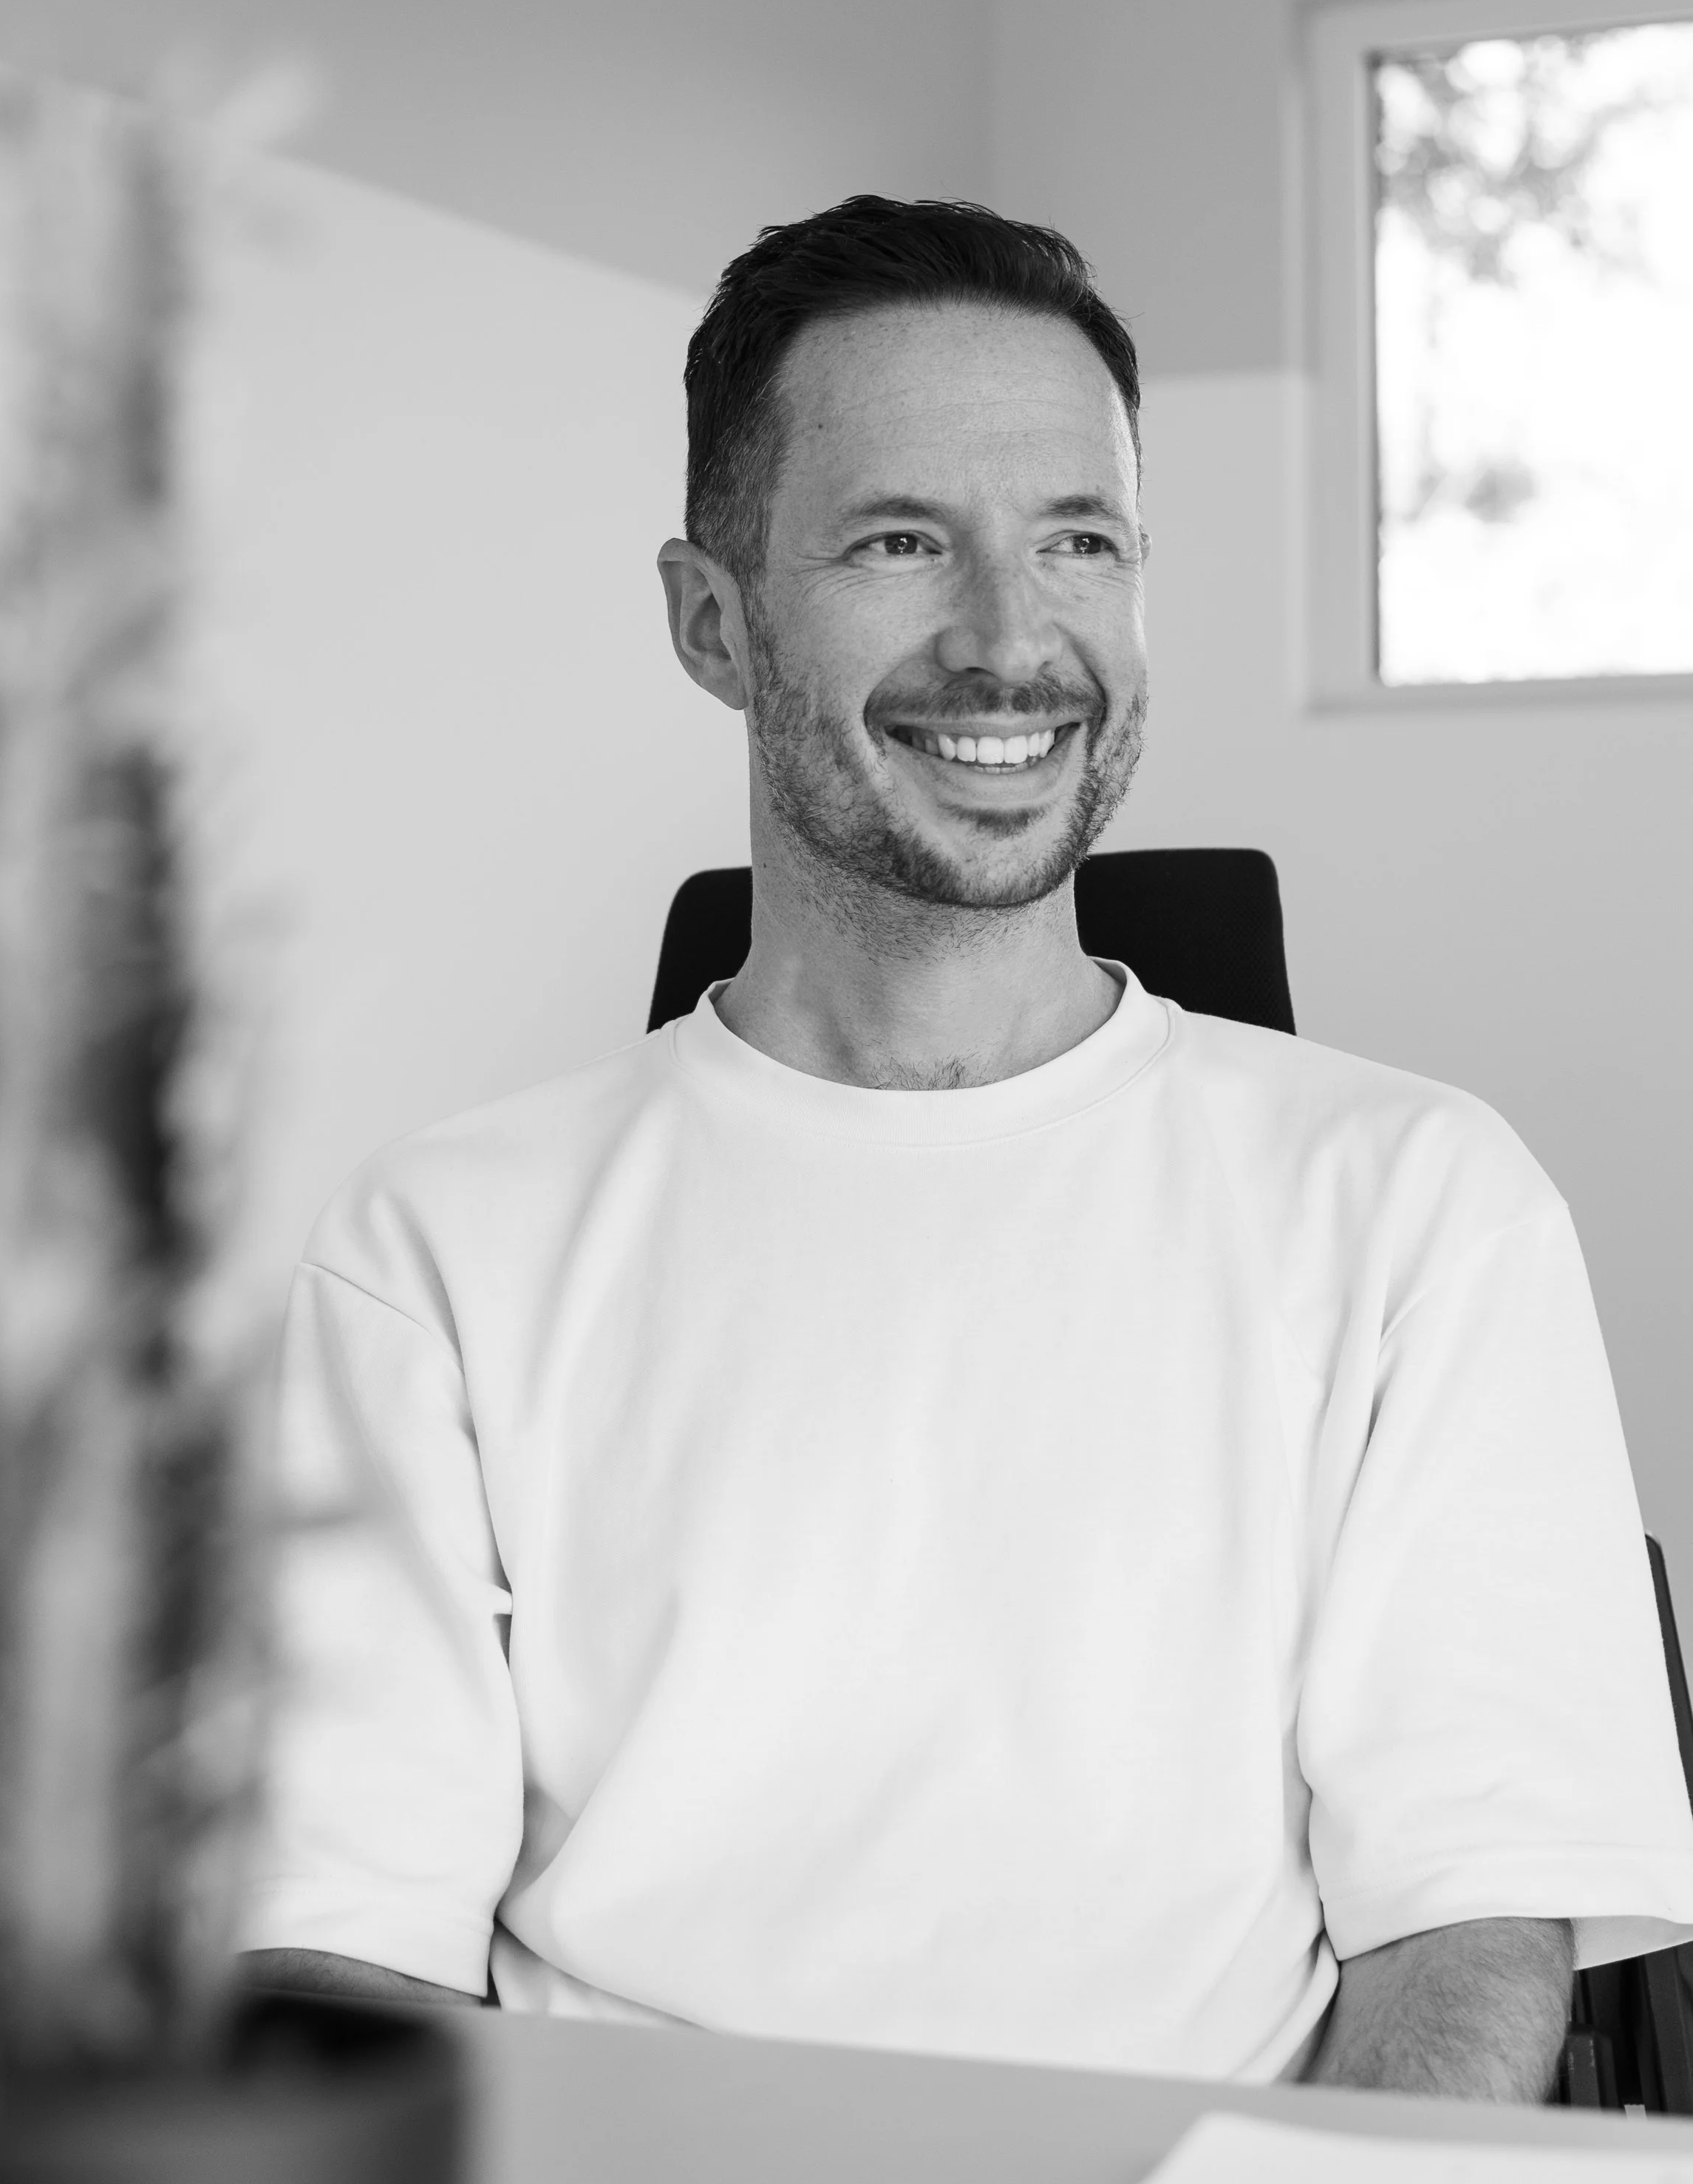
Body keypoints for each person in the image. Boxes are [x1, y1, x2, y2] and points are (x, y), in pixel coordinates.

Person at [241, 196, 1693, 2097]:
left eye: (1078, 539)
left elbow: (1464, 1930)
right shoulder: (435, 1250)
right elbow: (347, 1951)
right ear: (710, 620)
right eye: (901, 539)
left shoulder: (1416, 1205)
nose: (1012, 640)